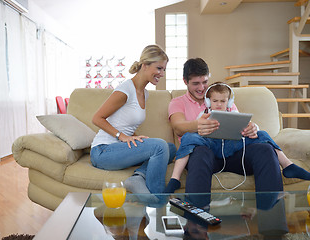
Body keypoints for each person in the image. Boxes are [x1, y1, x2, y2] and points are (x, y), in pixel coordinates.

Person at [164, 81, 310, 193]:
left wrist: (252, 129)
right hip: (209, 146)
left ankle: (287, 165)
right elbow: (195, 134)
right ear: (208, 102)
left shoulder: (234, 113)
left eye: (223, 101)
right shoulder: (203, 115)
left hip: (232, 146)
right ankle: (175, 178)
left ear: (229, 102)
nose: (219, 104)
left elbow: (247, 127)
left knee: (262, 134)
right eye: (215, 101)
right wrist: (199, 130)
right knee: (189, 137)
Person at [166, 57, 284, 194]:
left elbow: (238, 126)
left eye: (204, 82)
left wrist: (251, 128)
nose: (201, 88)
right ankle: (197, 214)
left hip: (232, 152)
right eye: (195, 83)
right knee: (200, 153)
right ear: (185, 81)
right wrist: (199, 125)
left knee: (265, 149)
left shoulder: (221, 98)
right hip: (205, 154)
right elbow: (178, 127)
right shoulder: (177, 102)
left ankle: (272, 213)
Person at [90, 45, 176, 196]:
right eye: (159, 68)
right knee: (160, 146)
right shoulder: (125, 90)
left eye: (164, 70)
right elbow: (97, 118)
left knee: (170, 148)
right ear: (145, 65)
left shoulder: (145, 94)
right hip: (103, 151)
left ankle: (138, 177)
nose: (162, 73)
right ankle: (157, 200)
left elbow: (125, 122)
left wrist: (134, 137)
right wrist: (123, 137)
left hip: (121, 150)